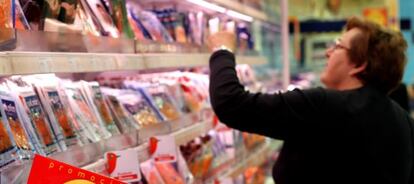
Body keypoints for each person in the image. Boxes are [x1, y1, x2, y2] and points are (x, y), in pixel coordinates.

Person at [208, 17, 414, 184]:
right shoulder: (404, 121)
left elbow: (231, 103)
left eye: (337, 47)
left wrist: (222, 51)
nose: (328, 53)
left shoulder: (324, 106)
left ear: (359, 65)